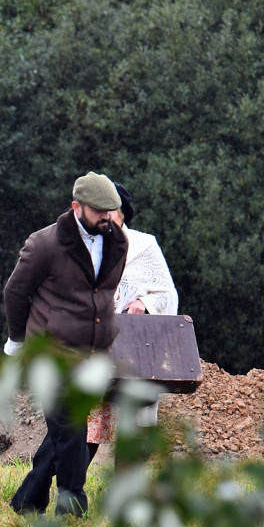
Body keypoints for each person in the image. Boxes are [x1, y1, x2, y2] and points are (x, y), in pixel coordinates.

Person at [4, 172, 128, 517]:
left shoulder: (117, 241)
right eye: (99, 211)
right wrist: (18, 340)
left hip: (95, 355)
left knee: (62, 432)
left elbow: (102, 295)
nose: (106, 218)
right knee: (72, 428)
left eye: (111, 211)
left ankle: (28, 500)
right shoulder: (45, 244)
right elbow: (15, 292)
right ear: (76, 207)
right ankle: (72, 503)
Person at [86, 182, 178, 464]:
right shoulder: (84, 246)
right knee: (87, 428)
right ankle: (72, 494)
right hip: (93, 350)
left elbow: (167, 293)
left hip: (135, 352)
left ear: (123, 213)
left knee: (132, 430)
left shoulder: (144, 245)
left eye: (110, 209)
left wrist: (145, 304)